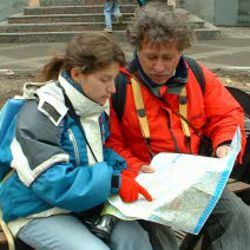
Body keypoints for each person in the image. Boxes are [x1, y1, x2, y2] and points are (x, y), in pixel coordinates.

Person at [104, 3, 250, 250]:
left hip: (193, 178)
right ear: (137, 49)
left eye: (168, 58)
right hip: (142, 181)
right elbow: (109, 144)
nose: (159, 67)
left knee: (240, 218)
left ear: (181, 52)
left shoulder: (196, 74)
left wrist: (225, 142)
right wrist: (137, 168)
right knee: (161, 238)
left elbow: (227, 114)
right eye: (151, 57)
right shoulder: (117, 85)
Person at [0, 33, 154, 250]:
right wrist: (114, 182)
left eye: (114, 78)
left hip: (83, 205)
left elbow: (98, 152)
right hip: (35, 210)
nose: (113, 89)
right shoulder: (40, 113)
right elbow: (51, 180)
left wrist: (128, 170)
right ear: (77, 74)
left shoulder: (92, 104)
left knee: (135, 240)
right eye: (105, 79)